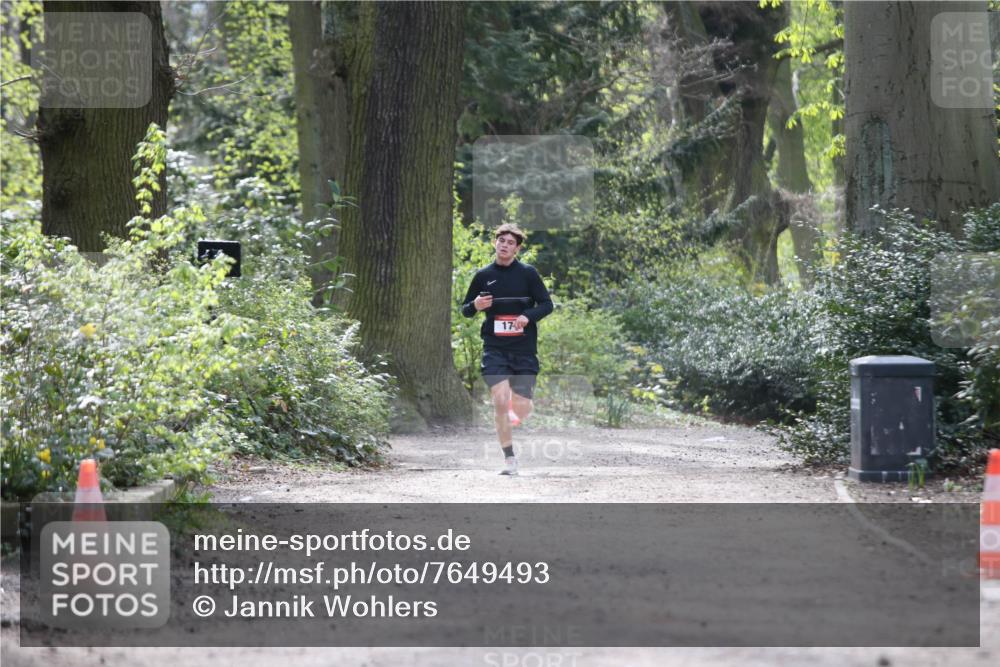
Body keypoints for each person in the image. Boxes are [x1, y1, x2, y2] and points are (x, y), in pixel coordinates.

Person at [461, 223, 553, 476]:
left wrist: (528, 316)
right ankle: (509, 459)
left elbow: (547, 304)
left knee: (522, 407)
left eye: (510, 242)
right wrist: (476, 305)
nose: (504, 245)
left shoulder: (528, 274)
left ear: (517, 248)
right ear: (495, 243)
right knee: (500, 401)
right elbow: (466, 310)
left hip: (523, 349)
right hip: (495, 348)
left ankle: (514, 414)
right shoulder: (483, 275)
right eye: (501, 240)